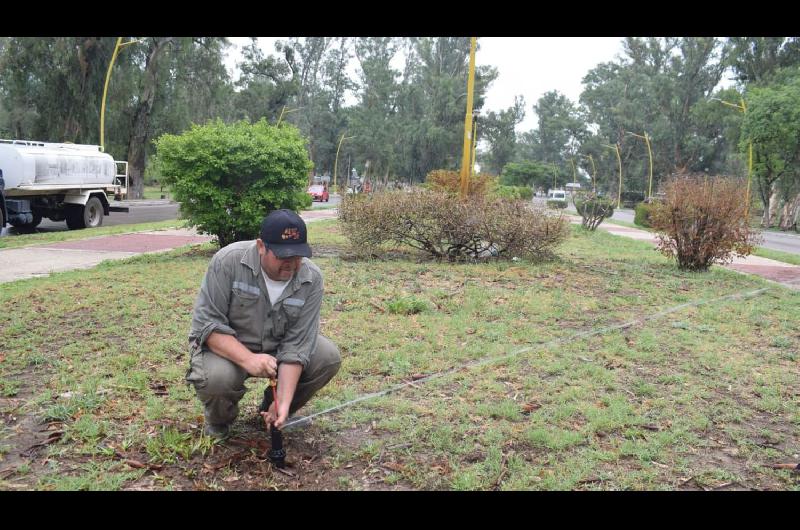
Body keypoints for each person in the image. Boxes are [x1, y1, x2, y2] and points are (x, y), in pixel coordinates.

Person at [186, 209, 341, 438]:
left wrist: (284, 401)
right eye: (282, 256)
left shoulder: (311, 278)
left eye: (298, 256)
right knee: (216, 378)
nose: (291, 264)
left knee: (327, 356)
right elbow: (207, 326)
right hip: (228, 351)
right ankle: (220, 421)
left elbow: (297, 345)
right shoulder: (228, 261)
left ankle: (273, 411)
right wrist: (248, 359)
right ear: (261, 246)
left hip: (278, 348)